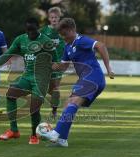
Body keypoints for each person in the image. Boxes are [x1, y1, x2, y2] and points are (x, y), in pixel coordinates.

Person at [38, 18, 114, 147]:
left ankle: (56, 133)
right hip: (85, 78)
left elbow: (101, 46)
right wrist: (53, 66)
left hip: (93, 77)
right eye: (61, 35)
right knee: (68, 104)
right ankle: (62, 140)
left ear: (72, 30)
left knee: (73, 102)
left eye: (65, 34)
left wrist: (109, 69)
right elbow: (63, 66)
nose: (64, 38)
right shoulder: (68, 47)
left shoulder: (81, 41)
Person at [0, 18, 57, 144]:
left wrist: (53, 83)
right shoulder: (21, 40)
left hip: (41, 79)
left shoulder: (46, 42)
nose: (31, 34)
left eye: (33, 31)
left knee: (34, 108)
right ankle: (14, 130)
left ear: (38, 28)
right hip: (27, 76)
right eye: (28, 31)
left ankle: (34, 135)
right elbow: (6, 55)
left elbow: (55, 62)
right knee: (10, 94)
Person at [40, 7, 65, 117]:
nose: (54, 19)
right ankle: (55, 99)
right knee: (45, 88)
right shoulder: (43, 31)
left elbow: (69, 44)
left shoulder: (63, 31)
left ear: (59, 18)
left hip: (58, 64)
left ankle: (54, 110)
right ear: (49, 19)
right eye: (52, 17)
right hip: (45, 63)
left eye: (56, 17)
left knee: (55, 86)